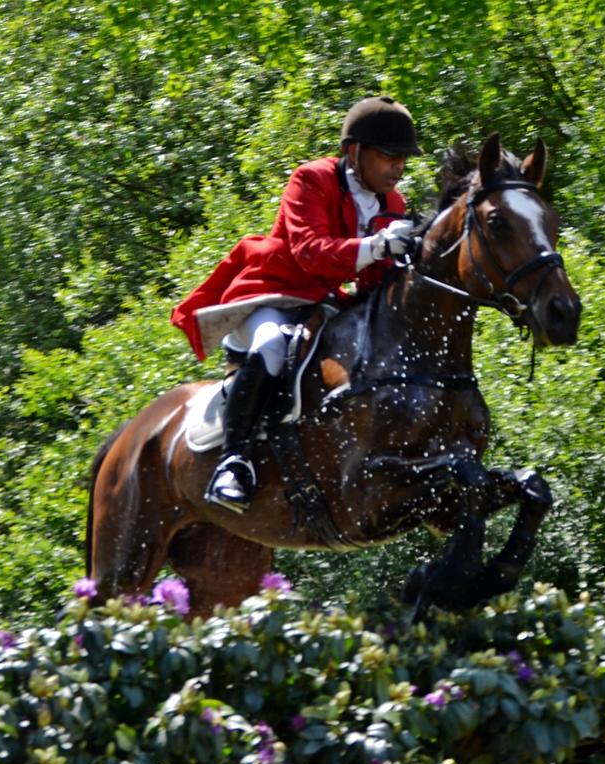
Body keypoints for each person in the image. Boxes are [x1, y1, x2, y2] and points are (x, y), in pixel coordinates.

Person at [171, 96, 422, 513]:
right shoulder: (311, 179)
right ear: (354, 151)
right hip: (270, 293)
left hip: (321, 303)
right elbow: (311, 252)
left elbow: (372, 279)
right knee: (271, 346)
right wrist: (377, 245)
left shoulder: (391, 202)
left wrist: (404, 266)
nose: (399, 167)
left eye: (403, 159)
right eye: (390, 156)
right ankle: (233, 463)